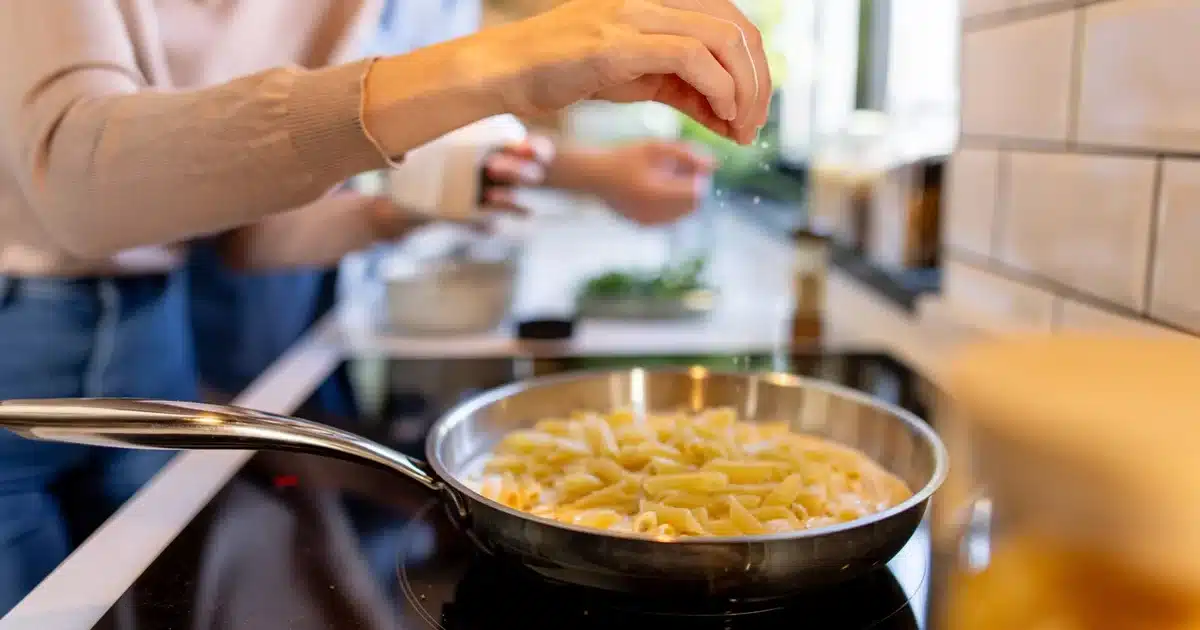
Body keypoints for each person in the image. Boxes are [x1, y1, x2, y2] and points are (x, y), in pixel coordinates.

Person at [0, 0, 770, 614]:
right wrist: (505, 62)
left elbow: (249, 239)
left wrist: (405, 210)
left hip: (152, 330)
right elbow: (82, 181)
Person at [186, 0, 722, 406]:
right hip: (232, 278)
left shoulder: (447, 9)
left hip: (324, 255)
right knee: (249, 439)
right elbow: (258, 230)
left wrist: (598, 173)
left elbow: (435, 133)